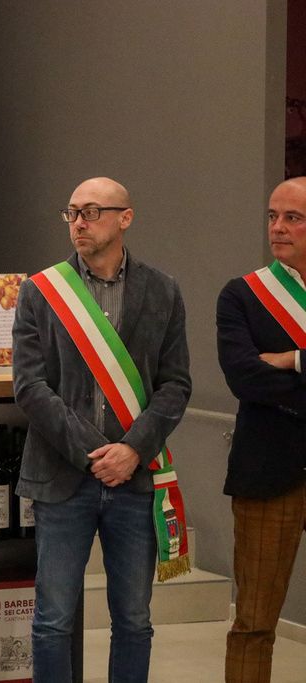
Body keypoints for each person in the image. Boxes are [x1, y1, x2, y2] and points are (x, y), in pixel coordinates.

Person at [12, 177, 191, 682]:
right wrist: (98, 453)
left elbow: (175, 384)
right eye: (71, 213)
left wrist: (131, 451)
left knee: (133, 620)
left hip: (134, 479)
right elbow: (29, 387)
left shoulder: (163, 290)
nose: (78, 223)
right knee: (53, 620)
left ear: (124, 218)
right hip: (62, 476)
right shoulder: (41, 291)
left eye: (91, 212)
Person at [217, 177, 306, 683]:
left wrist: (294, 360)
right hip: (269, 469)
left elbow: (272, 377)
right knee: (254, 622)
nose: (278, 227)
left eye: (293, 217)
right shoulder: (243, 295)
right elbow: (245, 378)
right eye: (273, 216)